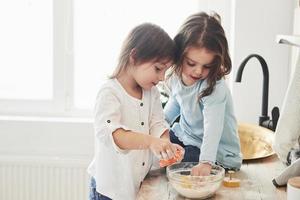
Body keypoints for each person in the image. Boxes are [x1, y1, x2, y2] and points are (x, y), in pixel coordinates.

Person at [87, 23, 184, 200]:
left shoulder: (151, 92)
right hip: (109, 191)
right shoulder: (109, 93)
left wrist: (165, 146)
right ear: (135, 56)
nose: (162, 77)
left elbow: (157, 123)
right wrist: (151, 142)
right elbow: (114, 135)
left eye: (165, 71)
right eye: (158, 68)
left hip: (136, 186)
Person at [164, 12, 242, 176]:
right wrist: (158, 131)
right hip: (187, 137)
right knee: (159, 148)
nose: (198, 71)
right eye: (191, 63)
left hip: (217, 153)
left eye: (207, 66)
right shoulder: (177, 77)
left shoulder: (214, 87)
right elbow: (174, 106)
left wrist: (206, 162)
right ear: (179, 54)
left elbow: (212, 128)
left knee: (180, 163)